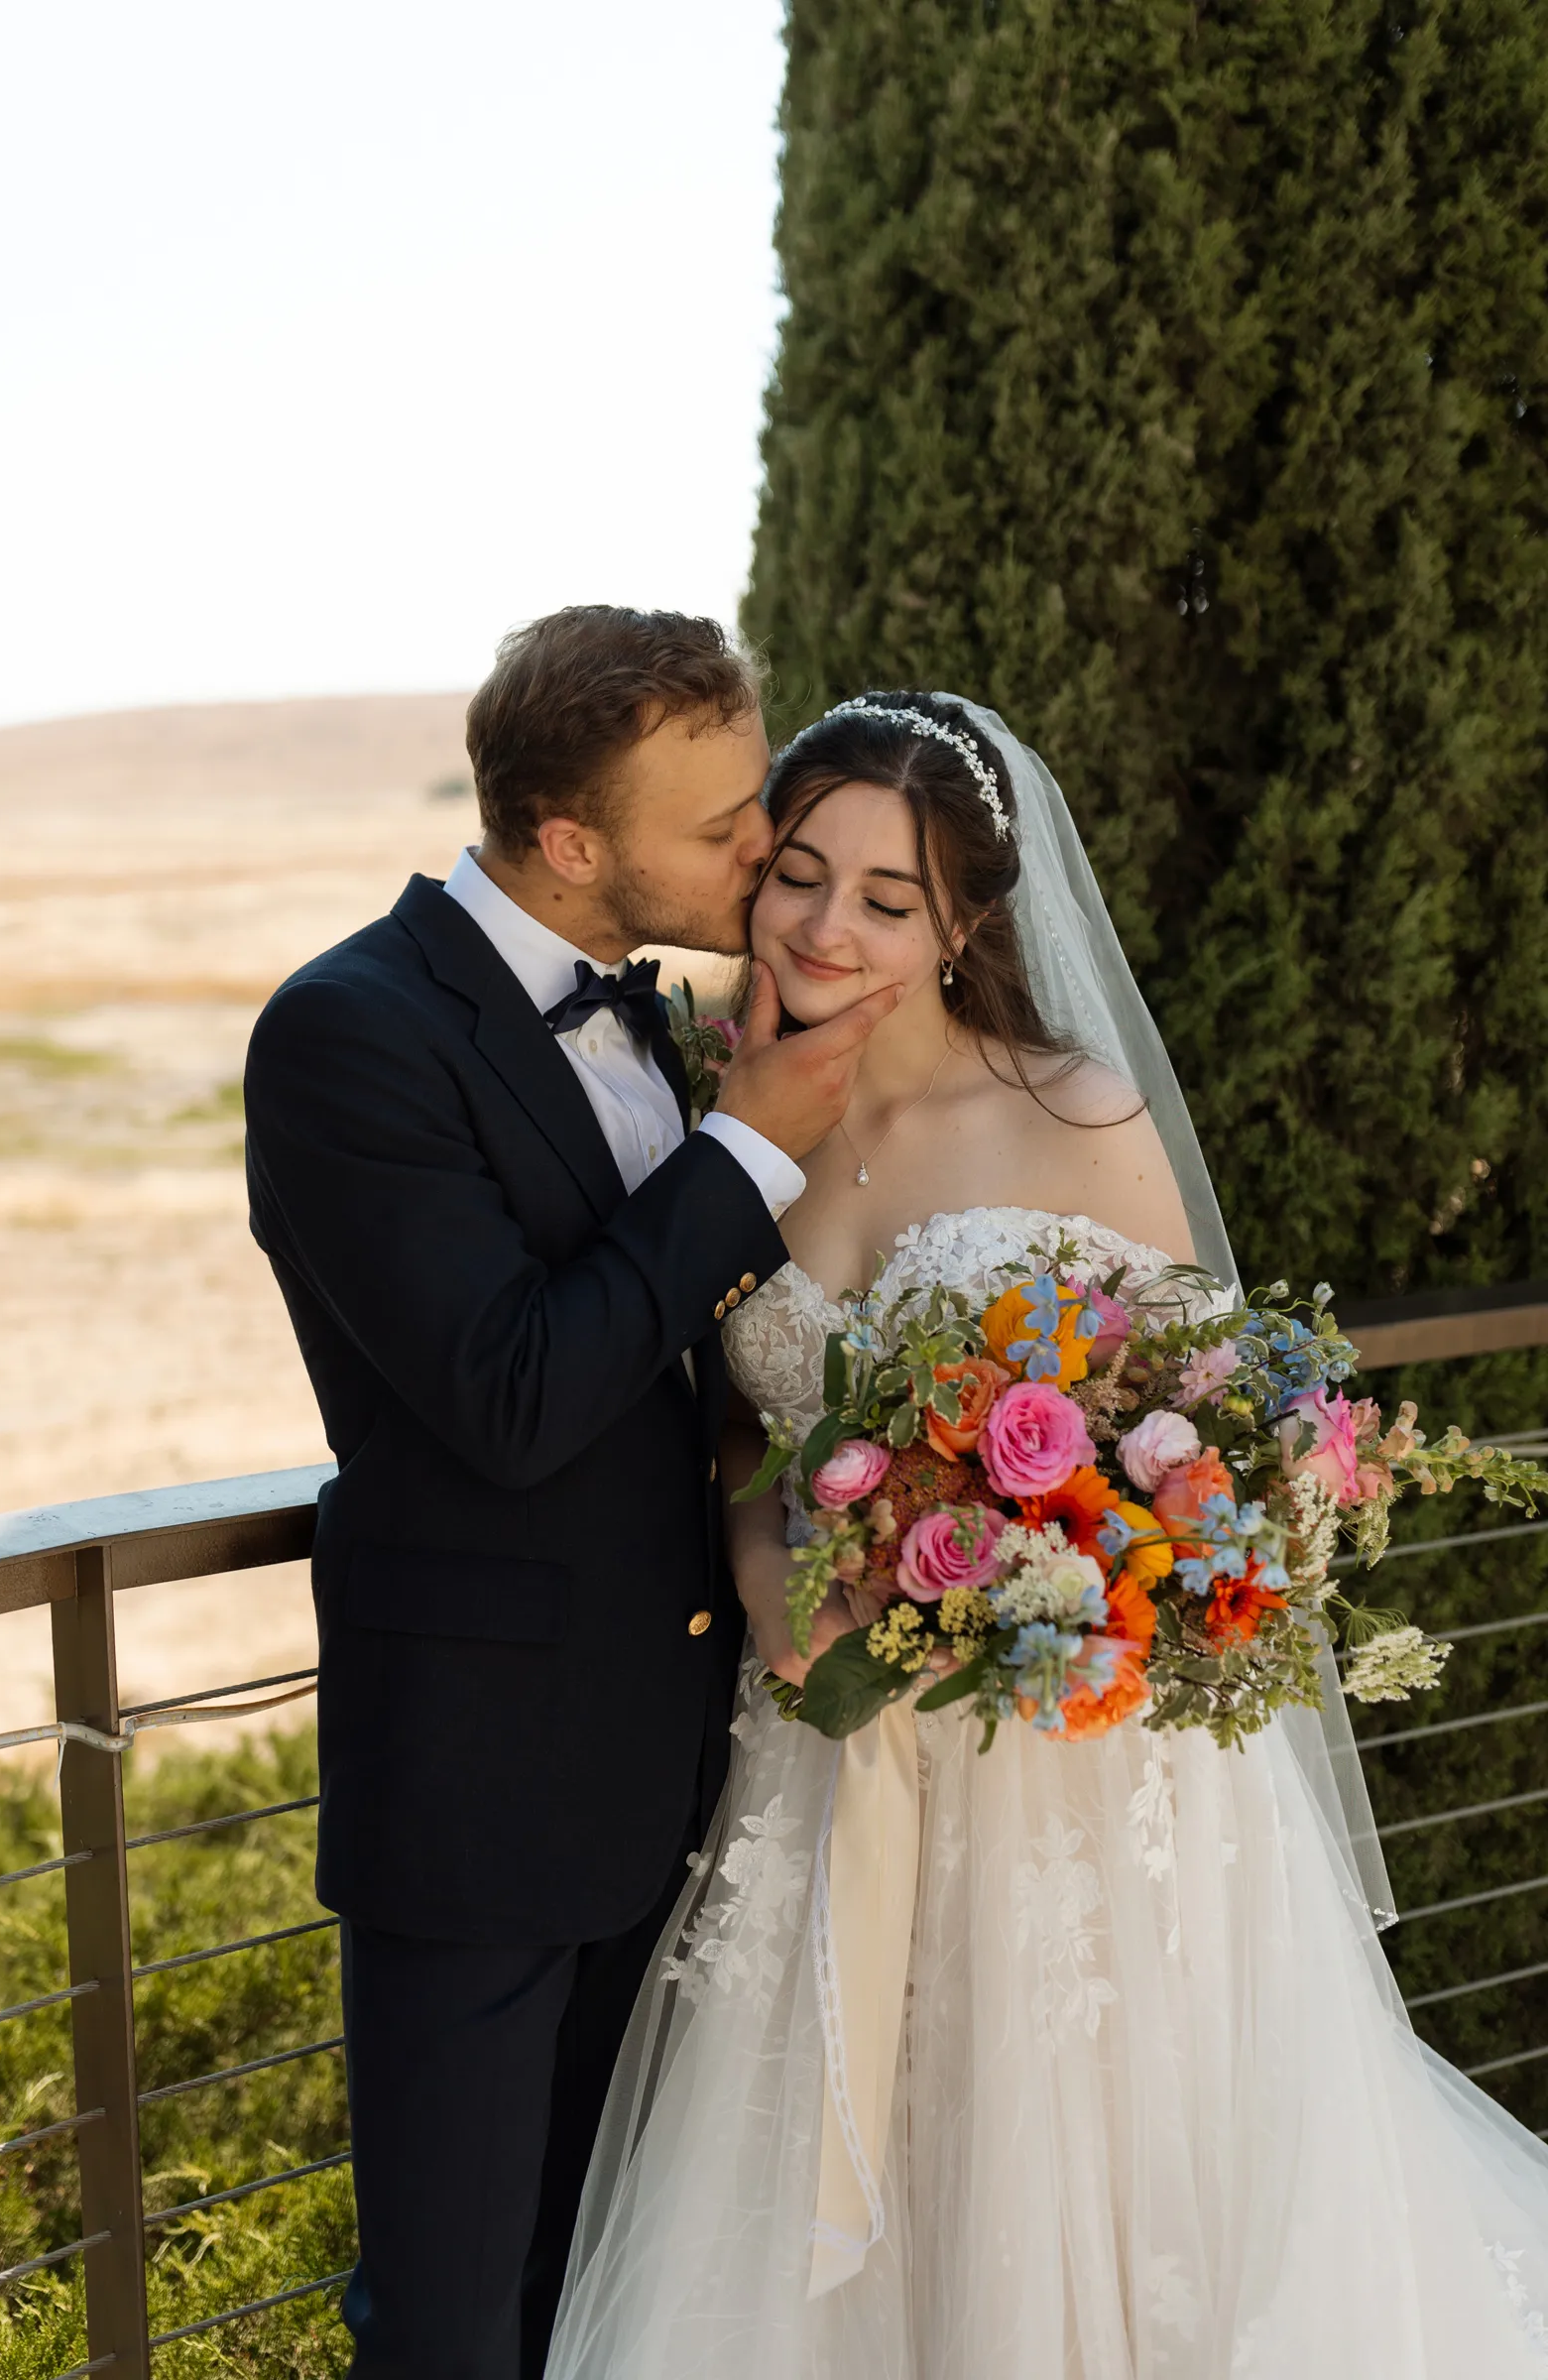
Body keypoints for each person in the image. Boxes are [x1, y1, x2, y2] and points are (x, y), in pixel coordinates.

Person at [544, 691, 1548, 2378]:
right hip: (830, 1745)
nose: (828, 927)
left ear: (966, 926)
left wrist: (1050, 1572)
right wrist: (768, 1560)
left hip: (1075, 1775)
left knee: (1081, 2180)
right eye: (800, 874)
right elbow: (738, 1426)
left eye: (889, 899)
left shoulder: (1074, 1113)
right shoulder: (728, 1126)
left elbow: (1215, 1440)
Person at [242, 607, 902, 2380]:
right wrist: (749, 1140)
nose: (765, 850)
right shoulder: (346, 1034)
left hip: (682, 1768)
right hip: (479, 1795)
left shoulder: (672, 1013)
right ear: (567, 844)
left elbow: (705, 1363)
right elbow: (516, 1395)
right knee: (458, 2325)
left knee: (615, 2293)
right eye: (721, 827)